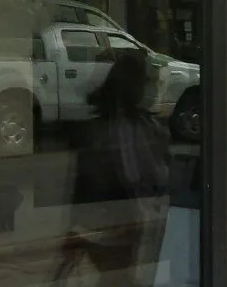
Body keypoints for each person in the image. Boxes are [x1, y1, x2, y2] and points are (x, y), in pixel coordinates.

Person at [57, 50, 171, 286]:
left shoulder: (149, 129)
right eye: (147, 80)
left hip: (126, 225)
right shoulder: (102, 133)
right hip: (110, 225)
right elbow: (86, 187)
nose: (153, 87)